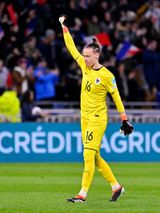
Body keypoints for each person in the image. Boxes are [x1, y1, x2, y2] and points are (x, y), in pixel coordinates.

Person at [59, 15, 133, 203]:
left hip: (98, 119)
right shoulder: (85, 67)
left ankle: (82, 194)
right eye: (84, 56)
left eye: (88, 56)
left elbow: (116, 96)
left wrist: (124, 118)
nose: (84, 59)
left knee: (87, 154)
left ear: (97, 55)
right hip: (84, 118)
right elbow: (71, 48)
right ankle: (116, 187)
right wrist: (64, 28)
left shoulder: (107, 76)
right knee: (95, 156)